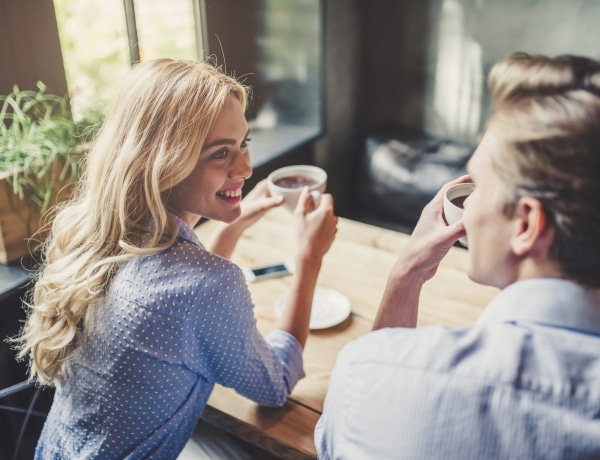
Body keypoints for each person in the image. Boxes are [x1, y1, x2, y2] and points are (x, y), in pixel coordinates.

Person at [13, 58, 338, 459]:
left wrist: (230, 229)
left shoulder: (89, 234)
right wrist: (308, 260)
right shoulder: (208, 285)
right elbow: (274, 385)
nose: (246, 168)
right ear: (163, 162)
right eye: (221, 153)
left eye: (244, 144)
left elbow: (176, 306)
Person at [315, 52, 600, 459]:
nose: (467, 202)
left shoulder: (373, 375)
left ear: (526, 225)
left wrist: (403, 275)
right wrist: (408, 274)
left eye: (478, 184)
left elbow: (336, 439)